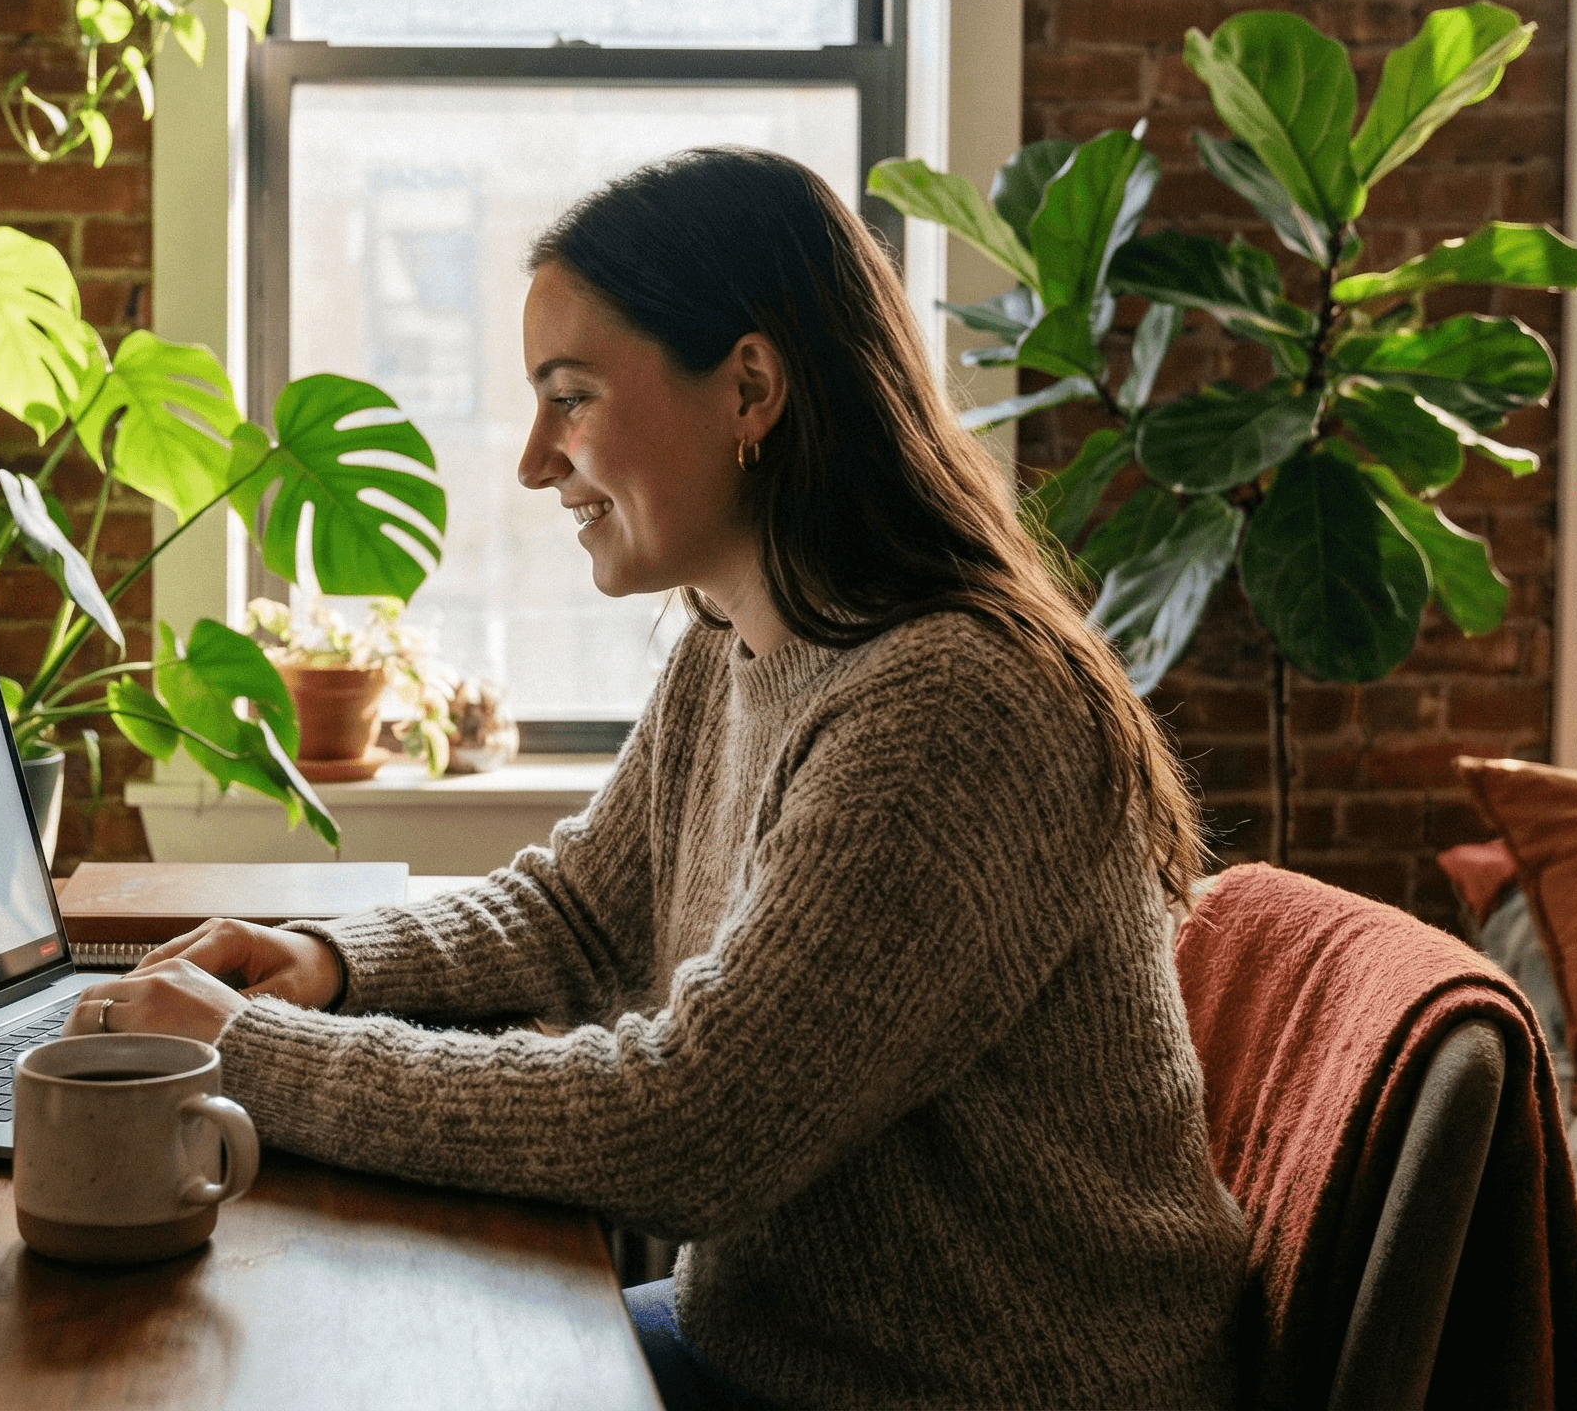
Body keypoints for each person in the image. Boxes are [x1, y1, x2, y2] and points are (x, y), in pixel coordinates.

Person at [65, 148, 1249, 1408]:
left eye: (568, 396)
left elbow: (693, 1129)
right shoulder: (737, 633)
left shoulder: (950, 708)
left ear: (748, 387)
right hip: (782, 1354)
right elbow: (585, 909)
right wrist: (335, 963)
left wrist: (252, 1054)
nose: (531, 460)